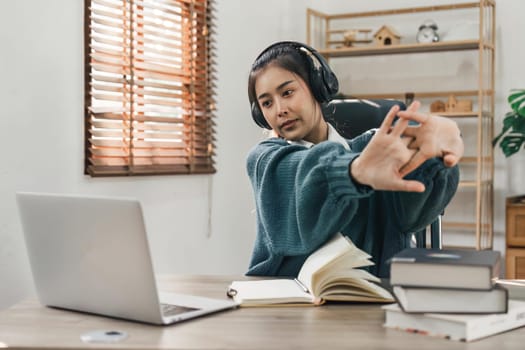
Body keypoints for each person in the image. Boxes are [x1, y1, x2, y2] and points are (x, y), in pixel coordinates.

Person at [245, 41, 463, 278]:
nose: (279, 110)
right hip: (288, 306)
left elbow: (412, 208)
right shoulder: (266, 161)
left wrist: (435, 156)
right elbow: (304, 175)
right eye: (267, 103)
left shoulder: (373, 148)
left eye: (287, 92)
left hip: (373, 302)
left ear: (317, 88)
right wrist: (353, 172)